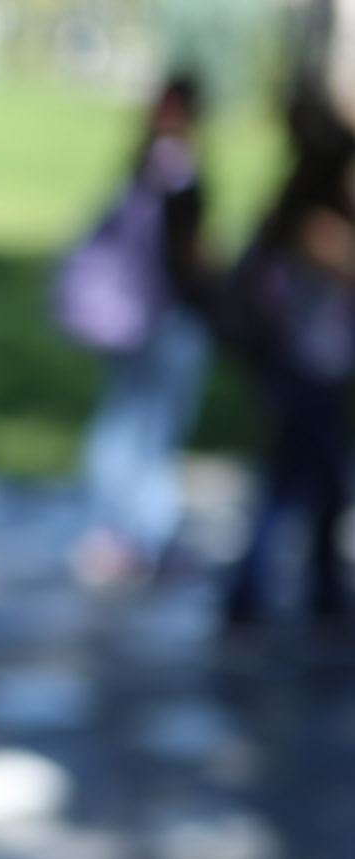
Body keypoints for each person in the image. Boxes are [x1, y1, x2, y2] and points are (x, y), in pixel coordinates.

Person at [68, 74, 217, 587]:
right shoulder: (176, 169)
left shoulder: (143, 164)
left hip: (133, 316)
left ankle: (117, 532)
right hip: (163, 316)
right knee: (147, 431)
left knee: (123, 424)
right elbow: (186, 252)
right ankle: (139, 536)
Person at [221, 91, 355, 626]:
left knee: (308, 486)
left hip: (314, 370)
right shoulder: (314, 225)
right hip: (302, 372)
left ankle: (316, 591)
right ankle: (250, 596)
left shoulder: (298, 213)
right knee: (302, 487)